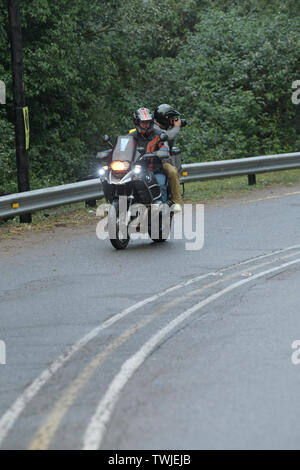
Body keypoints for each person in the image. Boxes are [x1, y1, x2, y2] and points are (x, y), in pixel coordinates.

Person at [131, 107, 168, 203]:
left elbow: (164, 146)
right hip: (136, 171)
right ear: (137, 123)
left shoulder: (159, 135)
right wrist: (110, 152)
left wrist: (161, 152)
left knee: (160, 184)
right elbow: (122, 147)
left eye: (147, 122)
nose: (146, 125)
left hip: (154, 169)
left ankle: (163, 208)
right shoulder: (131, 136)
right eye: (143, 122)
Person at [154, 104, 183, 212]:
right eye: (170, 119)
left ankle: (177, 202)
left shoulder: (162, 129)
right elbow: (168, 135)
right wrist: (176, 127)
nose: (172, 121)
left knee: (172, 171)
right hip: (150, 161)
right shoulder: (154, 128)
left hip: (161, 161)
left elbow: (169, 140)